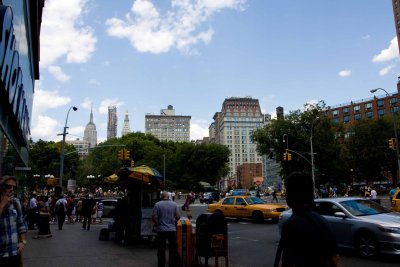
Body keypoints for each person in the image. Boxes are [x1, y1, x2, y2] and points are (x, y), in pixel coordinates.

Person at [275, 172, 342, 267]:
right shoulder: (322, 220)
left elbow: (287, 262)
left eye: (287, 191)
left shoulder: (291, 225)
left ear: (291, 195)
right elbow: (335, 258)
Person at [0, 176, 27, 267]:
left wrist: (23, 242)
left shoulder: (15, 202)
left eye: (14, 187)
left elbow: (21, 224)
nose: (11, 189)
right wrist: (3, 204)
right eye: (8, 186)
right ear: (1, 186)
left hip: (14, 253)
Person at [152, 191, 180, 267]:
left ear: (161, 196)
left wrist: (158, 223)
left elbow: (154, 217)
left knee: (161, 249)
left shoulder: (157, 204)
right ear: (168, 197)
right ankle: (177, 264)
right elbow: (177, 216)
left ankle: (161, 265)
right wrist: (174, 222)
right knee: (174, 249)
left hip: (161, 230)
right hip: (172, 230)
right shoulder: (174, 204)